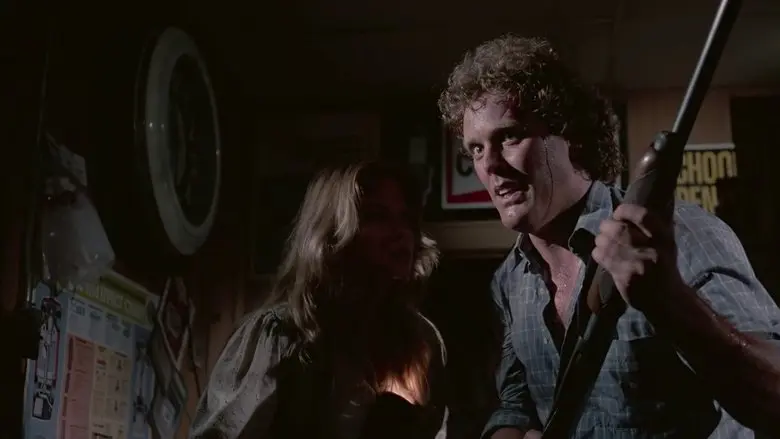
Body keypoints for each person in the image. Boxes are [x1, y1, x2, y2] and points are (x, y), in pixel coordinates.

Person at [438, 34, 780, 439]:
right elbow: (517, 403)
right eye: (476, 150)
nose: (490, 165)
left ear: (572, 136)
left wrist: (669, 301)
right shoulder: (509, 281)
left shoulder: (680, 234)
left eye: (509, 136)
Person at [190, 161, 448, 439]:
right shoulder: (281, 335)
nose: (400, 233)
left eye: (405, 218)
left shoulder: (421, 341)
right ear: (333, 234)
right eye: (377, 216)